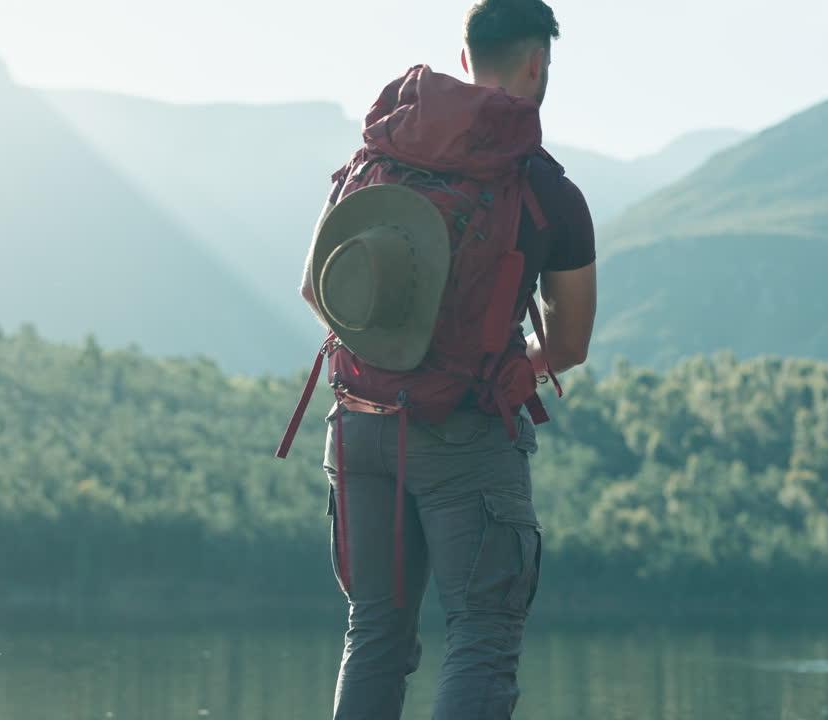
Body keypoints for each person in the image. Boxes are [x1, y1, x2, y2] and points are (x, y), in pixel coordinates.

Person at [295, 2, 596, 718]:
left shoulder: (381, 153)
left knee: (374, 633)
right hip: (466, 435)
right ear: (537, 63)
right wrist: (494, 356)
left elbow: (316, 288)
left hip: (360, 424)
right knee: (482, 638)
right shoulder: (546, 189)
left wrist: (401, 357)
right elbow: (570, 344)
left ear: (464, 60)